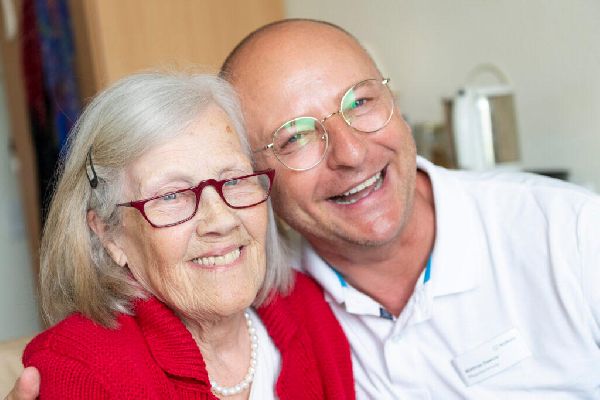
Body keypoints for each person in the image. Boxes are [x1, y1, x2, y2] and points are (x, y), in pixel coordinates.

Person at [7, 18, 600, 400]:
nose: (351, 154)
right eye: (294, 137)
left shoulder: (573, 236)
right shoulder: (296, 295)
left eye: (361, 103)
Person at [7, 71, 354, 399]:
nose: (221, 220)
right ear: (109, 234)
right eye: (171, 195)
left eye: (234, 179)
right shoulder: (78, 369)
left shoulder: (309, 309)